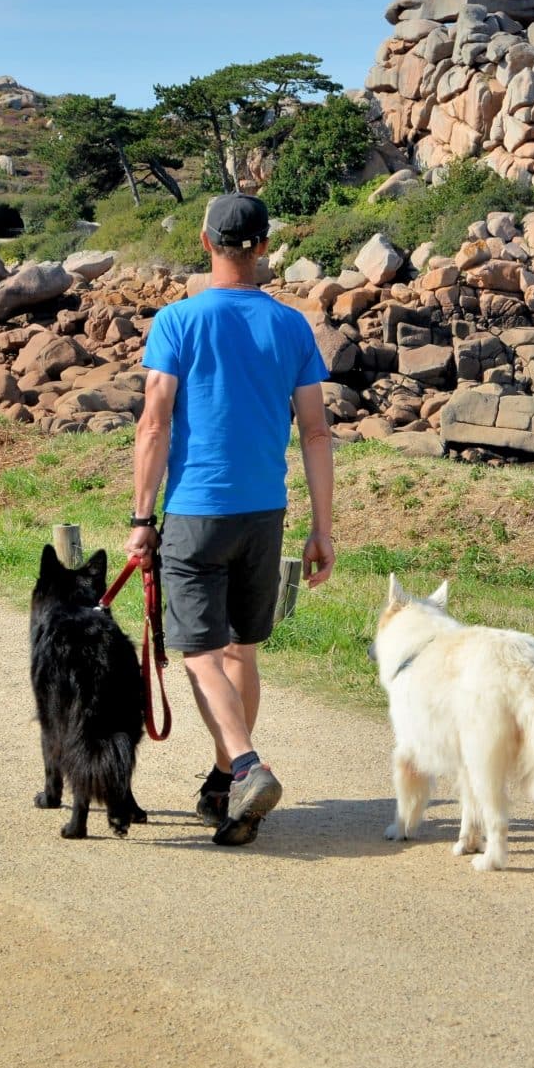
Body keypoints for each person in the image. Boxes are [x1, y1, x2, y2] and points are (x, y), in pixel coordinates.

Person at [128, 192, 337, 846]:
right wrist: (322, 528)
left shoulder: (177, 321)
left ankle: (245, 762)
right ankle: (224, 786)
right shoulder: (292, 326)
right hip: (265, 513)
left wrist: (140, 516)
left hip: (196, 510)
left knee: (197, 653)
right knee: (241, 648)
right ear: (265, 247)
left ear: (204, 240)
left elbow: (155, 422)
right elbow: (316, 431)